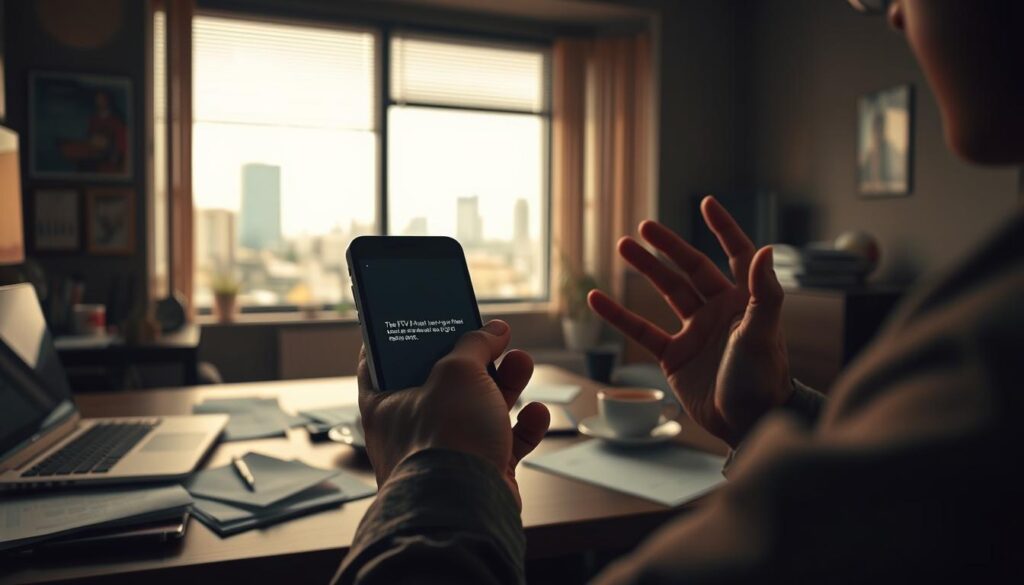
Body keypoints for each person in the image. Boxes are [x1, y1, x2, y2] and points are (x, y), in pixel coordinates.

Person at [335, 1, 1023, 583]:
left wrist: (438, 474)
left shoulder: (993, 346)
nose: (894, 12)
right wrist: (771, 412)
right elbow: (892, 508)